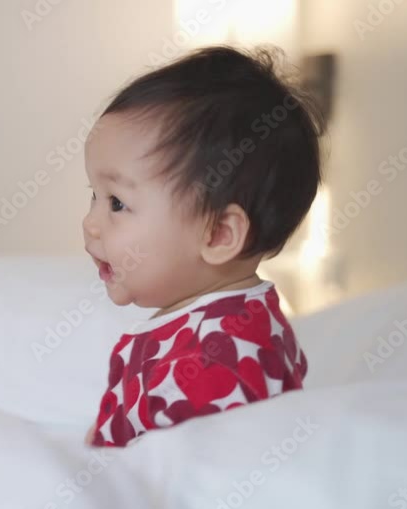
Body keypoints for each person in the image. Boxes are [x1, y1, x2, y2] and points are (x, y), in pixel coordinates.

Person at [83, 46, 320, 447]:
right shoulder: (211, 327)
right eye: (94, 195)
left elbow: (195, 473)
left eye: (117, 203)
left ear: (218, 235)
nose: (90, 224)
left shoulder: (215, 363)